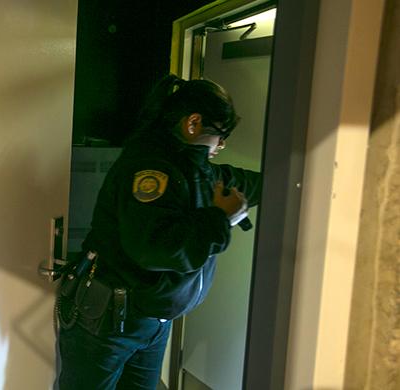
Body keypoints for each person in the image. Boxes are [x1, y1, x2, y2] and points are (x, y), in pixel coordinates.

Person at [55, 75, 261, 389]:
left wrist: (301, 176)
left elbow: (242, 183)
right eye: (221, 134)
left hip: (149, 322)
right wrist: (220, 219)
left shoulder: (196, 170)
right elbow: (156, 249)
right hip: (109, 320)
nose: (223, 145)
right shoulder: (151, 168)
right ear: (193, 123)